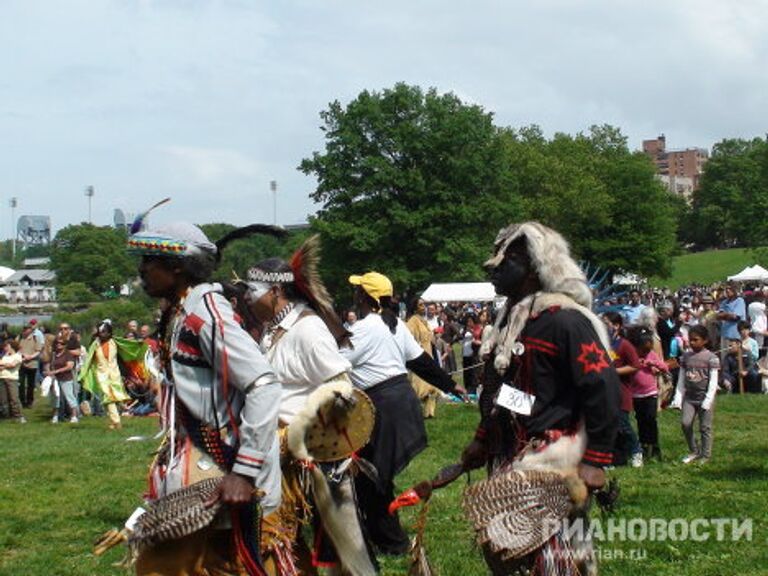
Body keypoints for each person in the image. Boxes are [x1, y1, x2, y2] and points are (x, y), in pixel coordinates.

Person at [460, 221, 620, 575]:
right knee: (507, 555)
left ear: (534, 267)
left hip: (551, 462)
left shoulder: (565, 321)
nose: (493, 270)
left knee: (553, 561)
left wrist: (595, 460)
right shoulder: (513, 320)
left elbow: (603, 388)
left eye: (505, 262)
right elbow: (504, 393)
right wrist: (482, 438)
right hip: (509, 455)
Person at [127, 216, 282, 575]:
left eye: (149, 261)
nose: (142, 270)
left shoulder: (206, 316)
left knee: (231, 564)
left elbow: (263, 383)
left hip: (229, 465)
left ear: (177, 267)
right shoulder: (182, 313)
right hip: (203, 462)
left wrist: (244, 472)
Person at [236, 235, 376, 575]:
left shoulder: (308, 330)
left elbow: (342, 389)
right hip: (277, 453)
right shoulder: (273, 330)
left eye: (251, 292)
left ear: (275, 292)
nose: (246, 300)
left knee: (290, 537)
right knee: (281, 538)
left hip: (301, 455)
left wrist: (305, 435)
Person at [341, 271, 465, 556]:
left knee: (372, 480)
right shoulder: (394, 324)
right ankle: (378, 537)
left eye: (358, 290)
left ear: (364, 297)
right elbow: (421, 362)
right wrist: (450, 384)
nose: (355, 294)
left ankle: (392, 543)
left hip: (384, 407)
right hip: (399, 403)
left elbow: (332, 365)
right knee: (372, 479)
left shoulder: (361, 330)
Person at [671, 325, 719, 464]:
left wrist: (708, 400)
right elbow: (681, 377)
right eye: (690, 340)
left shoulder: (711, 358)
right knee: (686, 424)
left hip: (704, 398)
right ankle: (694, 450)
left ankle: (705, 454)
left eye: (695, 340)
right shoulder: (686, 357)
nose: (692, 343)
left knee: (705, 427)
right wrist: (678, 397)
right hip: (690, 398)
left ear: (705, 340)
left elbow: (713, 381)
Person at [603, 312, 643, 467]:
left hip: (621, 392)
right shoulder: (601, 343)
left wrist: (614, 372)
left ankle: (635, 450)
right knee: (607, 426)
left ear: (616, 326)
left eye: (606, 322)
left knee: (622, 425)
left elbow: (635, 365)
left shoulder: (624, 345)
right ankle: (609, 458)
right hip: (604, 392)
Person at [78, 320, 132, 429]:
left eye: (104, 332)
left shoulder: (115, 343)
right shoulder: (95, 344)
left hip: (114, 374)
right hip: (101, 375)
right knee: (108, 398)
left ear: (109, 333)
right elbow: (88, 360)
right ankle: (117, 421)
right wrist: (83, 374)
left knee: (112, 398)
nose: (102, 334)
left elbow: (125, 353)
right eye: (100, 332)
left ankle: (115, 419)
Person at [627, 326, 667, 461]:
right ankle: (644, 445)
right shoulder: (632, 357)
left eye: (647, 350)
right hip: (636, 394)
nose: (644, 352)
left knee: (651, 420)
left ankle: (654, 445)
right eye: (642, 350)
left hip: (650, 393)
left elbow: (664, 367)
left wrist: (651, 363)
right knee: (641, 421)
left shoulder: (650, 356)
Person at [406, 297, 442, 418]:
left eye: (424, 305)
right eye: (421, 305)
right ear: (415, 307)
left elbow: (430, 338)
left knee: (432, 388)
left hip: (429, 356)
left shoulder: (424, 321)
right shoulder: (412, 321)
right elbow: (408, 339)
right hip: (418, 358)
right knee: (419, 389)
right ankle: (412, 413)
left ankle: (429, 413)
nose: (424, 307)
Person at [46, 337, 78, 424]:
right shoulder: (53, 354)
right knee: (55, 397)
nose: (59, 345)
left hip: (66, 379)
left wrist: (56, 371)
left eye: (62, 343)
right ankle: (55, 416)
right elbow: (49, 364)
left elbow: (69, 366)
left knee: (69, 396)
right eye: (57, 343)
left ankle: (74, 415)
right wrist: (48, 371)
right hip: (55, 379)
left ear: (65, 345)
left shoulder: (68, 354)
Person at [0, 339, 26, 423]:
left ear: (12, 346)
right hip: (2, 378)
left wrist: (3, 365)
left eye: (7, 346)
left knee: (14, 398)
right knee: (3, 399)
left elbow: (13, 365)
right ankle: (6, 415)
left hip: (12, 379)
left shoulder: (18, 356)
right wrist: (5, 366)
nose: (5, 348)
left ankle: (18, 416)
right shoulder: (5, 356)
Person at [18, 325, 42, 409]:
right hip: (21, 363)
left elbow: (38, 351)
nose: (25, 331)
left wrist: (30, 357)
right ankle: (22, 401)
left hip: (32, 364)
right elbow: (16, 348)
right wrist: (23, 355)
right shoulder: (19, 338)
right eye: (24, 329)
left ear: (31, 330)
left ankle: (30, 401)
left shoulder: (35, 338)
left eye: (27, 329)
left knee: (30, 384)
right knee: (20, 383)